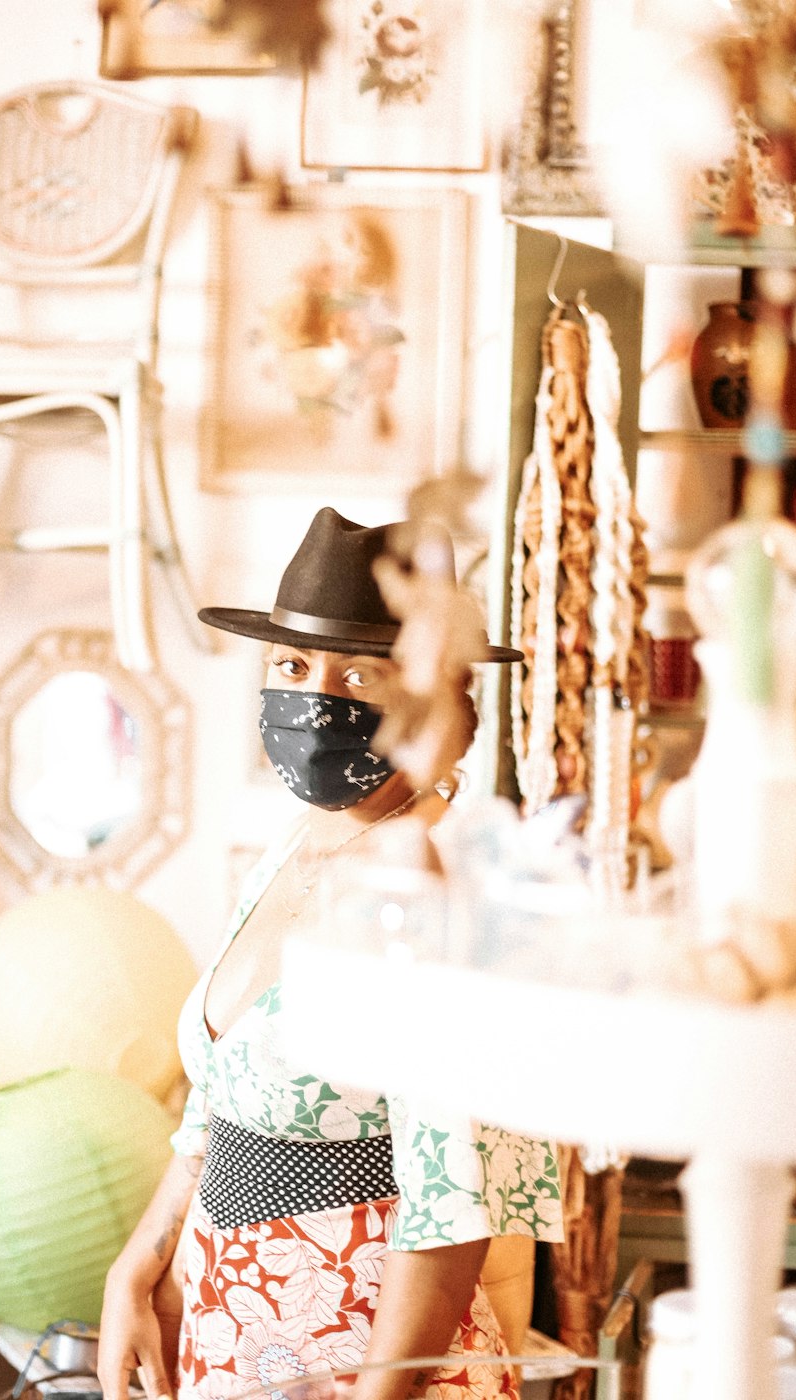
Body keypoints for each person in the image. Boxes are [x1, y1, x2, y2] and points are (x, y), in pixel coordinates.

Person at [98, 508, 564, 1400]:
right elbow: (218, 1107)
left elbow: (451, 1205)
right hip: (230, 1331)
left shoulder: (443, 886)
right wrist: (137, 1270)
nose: (317, 697)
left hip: (362, 1361)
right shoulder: (296, 846)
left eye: (362, 671)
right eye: (292, 666)